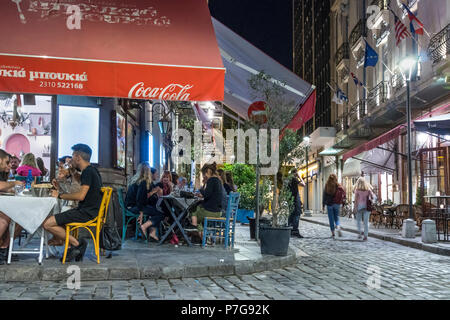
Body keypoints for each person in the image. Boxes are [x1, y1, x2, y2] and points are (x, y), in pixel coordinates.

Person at [43, 144, 103, 262]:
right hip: (89, 211)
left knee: (47, 223)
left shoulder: (87, 172)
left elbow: (80, 196)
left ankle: (76, 244)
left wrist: (59, 195)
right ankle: (74, 245)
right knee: (57, 218)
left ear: (77, 157)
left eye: (72, 156)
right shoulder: (92, 170)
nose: (70, 159)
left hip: (85, 213)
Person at [0, 149, 25, 264]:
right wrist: (14, 183)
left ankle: (4, 247)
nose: (9, 165)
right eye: (7, 162)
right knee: (6, 217)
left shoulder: (3, 173)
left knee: (20, 218)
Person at [186, 163, 224, 239]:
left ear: (208, 172)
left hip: (211, 211)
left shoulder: (212, 180)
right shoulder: (218, 181)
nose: (203, 176)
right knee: (198, 217)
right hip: (218, 211)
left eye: (203, 174)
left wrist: (199, 187)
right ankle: (201, 238)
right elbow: (210, 195)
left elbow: (206, 194)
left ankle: (194, 230)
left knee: (192, 211)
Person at [136, 165, 165, 242]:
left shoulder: (149, 183)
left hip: (142, 206)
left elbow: (150, 199)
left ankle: (152, 234)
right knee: (160, 214)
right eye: (156, 173)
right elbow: (140, 200)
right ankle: (144, 227)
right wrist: (141, 213)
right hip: (138, 207)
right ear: (149, 174)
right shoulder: (143, 183)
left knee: (157, 211)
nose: (157, 175)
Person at [323, 174, 346, 239]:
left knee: (331, 219)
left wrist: (323, 205)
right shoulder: (338, 185)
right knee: (336, 217)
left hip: (329, 204)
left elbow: (324, 195)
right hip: (337, 204)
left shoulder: (327, 185)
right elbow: (343, 194)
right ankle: (338, 226)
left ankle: (333, 233)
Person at [354, 177, 375, 241]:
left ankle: (360, 233)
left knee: (358, 221)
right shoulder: (368, 190)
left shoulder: (357, 190)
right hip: (366, 207)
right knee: (366, 222)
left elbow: (356, 200)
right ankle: (365, 236)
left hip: (359, 207)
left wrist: (355, 208)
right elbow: (373, 197)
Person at [288, 168, 305, 238]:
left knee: (291, 214)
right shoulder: (294, 179)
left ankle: (290, 230)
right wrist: (299, 176)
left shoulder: (288, 179)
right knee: (297, 214)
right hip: (295, 199)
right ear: (295, 173)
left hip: (290, 199)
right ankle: (295, 230)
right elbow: (303, 184)